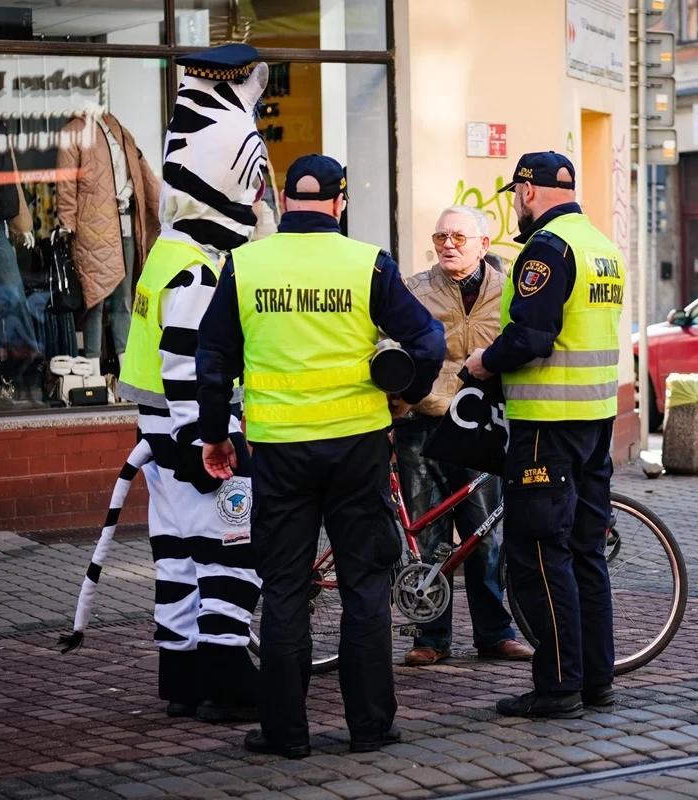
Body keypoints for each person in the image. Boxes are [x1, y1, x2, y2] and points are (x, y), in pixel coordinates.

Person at [196, 154, 444, 758]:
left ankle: (284, 733)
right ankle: (370, 727)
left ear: (282, 198)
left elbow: (212, 359)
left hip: (279, 454)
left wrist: (215, 435)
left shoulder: (246, 266)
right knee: (362, 588)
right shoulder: (367, 265)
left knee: (284, 589)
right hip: (358, 450)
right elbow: (428, 341)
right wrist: (405, 397)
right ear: (339, 203)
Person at [112, 43, 270, 723]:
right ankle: (228, 677)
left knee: (175, 554)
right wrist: (216, 438)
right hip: (201, 441)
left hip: (158, 440)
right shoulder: (201, 265)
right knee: (233, 548)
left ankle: (181, 676)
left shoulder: (163, 254)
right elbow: (190, 362)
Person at [465, 152, 626, 719]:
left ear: (529, 191)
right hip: (595, 423)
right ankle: (595, 681)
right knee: (586, 552)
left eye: (515, 194)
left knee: (538, 553)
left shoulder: (548, 248)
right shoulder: (602, 247)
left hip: (546, 428)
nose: (514, 204)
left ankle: (558, 685)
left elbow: (533, 335)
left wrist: (485, 360)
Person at [396, 205, 533, 667]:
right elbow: (387, 345)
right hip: (425, 423)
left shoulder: (511, 289)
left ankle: (495, 633)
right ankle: (430, 636)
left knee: (485, 533)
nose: (447, 245)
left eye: (457, 236)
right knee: (427, 532)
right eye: (440, 237)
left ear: (484, 244)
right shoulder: (413, 289)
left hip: (483, 423)